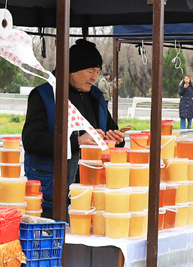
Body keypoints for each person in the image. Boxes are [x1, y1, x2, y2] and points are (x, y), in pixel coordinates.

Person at [21, 39, 125, 213]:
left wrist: (117, 140)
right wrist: (76, 141)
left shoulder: (96, 97)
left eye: (97, 72)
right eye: (90, 71)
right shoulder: (44, 95)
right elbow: (31, 141)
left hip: (91, 192)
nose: (94, 77)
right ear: (71, 69)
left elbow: (109, 131)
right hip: (52, 193)